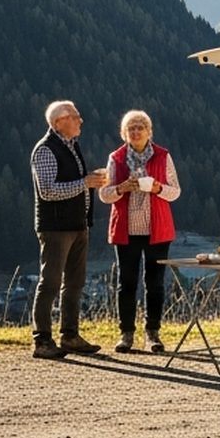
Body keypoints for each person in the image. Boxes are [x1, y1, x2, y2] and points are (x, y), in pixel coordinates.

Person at [30, 100, 109, 359]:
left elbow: (73, 185)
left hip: (77, 225)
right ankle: (42, 341)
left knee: (74, 283)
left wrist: (88, 185)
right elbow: (48, 191)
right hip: (56, 227)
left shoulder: (71, 146)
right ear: (58, 122)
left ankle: (70, 336)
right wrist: (85, 182)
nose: (80, 120)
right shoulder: (45, 150)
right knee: (51, 283)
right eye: (75, 116)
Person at [99, 109, 181, 353]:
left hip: (157, 229)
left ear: (149, 131)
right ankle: (126, 334)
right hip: (126, 230)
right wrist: (122, 187)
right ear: (124, 133)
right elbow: (104, 195)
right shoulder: (116, 158)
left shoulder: (163, 156)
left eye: (140, 127)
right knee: (127, 282)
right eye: (131, 128)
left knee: (154, 282)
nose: (135, 132)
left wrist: (156, 188)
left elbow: (175, 191)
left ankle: (152, 333)